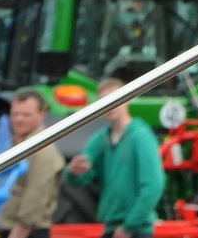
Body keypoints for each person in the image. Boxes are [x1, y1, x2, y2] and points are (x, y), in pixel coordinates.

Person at [63, 75, 162, 238]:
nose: (110, 106)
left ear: (128, 99)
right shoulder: (100, 139)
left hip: (137, 230)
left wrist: (128, 228)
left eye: (115, 99)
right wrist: (72, 172)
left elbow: (153, 186)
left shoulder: (140, 136)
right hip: (112, 227)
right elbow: (79, 180)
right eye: (104, 101)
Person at [0, 90, 63, 238]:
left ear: (42, 115)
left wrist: (18, 233)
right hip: (5, 227)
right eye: (15, 114)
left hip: (26, 233)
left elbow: (35, 198)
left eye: (26, 115)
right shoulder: (8, 145)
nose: (19, 119)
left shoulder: (42, 150)